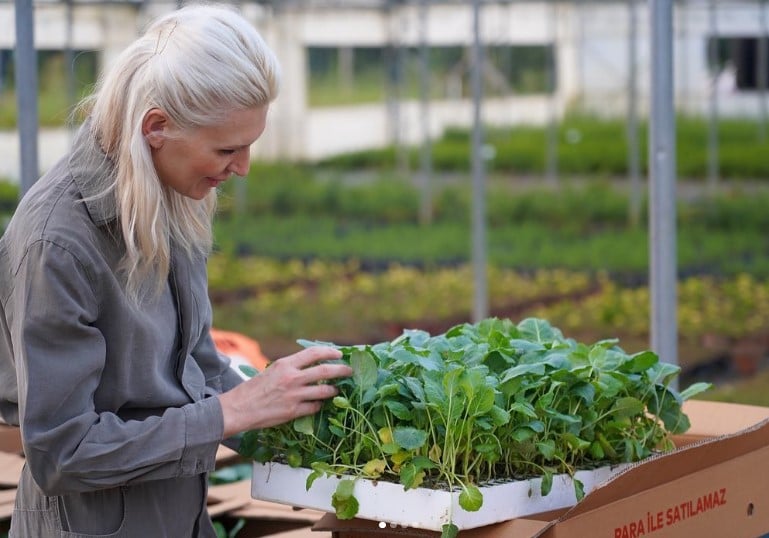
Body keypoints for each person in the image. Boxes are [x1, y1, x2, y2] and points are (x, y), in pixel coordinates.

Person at [0, 4, 352, 537]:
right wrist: (230, 413)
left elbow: (199, 366)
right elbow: (61, 452)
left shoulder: (166, 197)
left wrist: (308, 427)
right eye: (228, 148)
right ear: (157, 128)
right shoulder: (58, 243)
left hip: (181, 516)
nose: (244, 167)